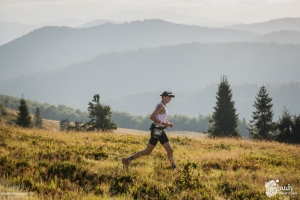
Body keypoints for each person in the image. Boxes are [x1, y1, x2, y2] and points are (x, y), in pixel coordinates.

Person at [121, 91, 178, 172]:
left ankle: (174, 169)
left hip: (160, 130)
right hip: (156, 131)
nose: (170, 99)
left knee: (170, 150)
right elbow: (152, 117)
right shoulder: (160, 106)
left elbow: (160, 118)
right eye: (169, 97)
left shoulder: (164, 106)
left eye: (171, 97)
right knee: (147, 151)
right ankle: (127, 160)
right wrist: (162, 123)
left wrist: (167, 123)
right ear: (164, 97)